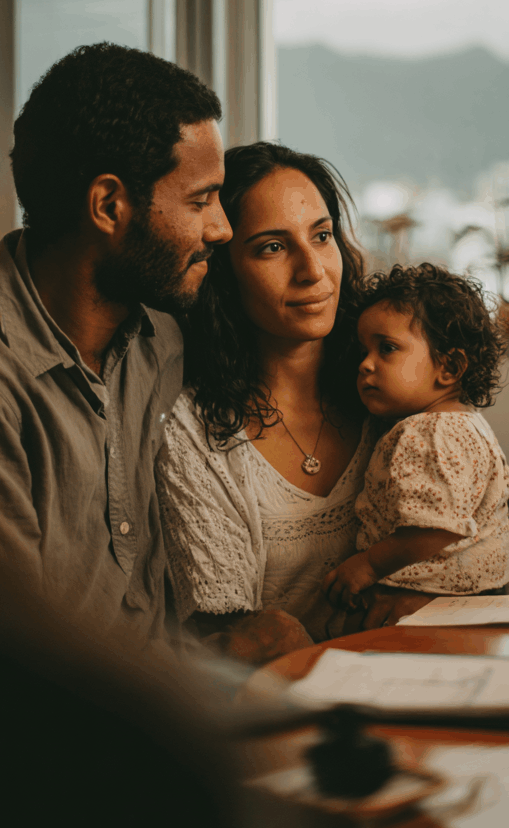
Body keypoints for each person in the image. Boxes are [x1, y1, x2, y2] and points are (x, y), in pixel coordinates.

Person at [0, 43, 230, 643]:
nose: (221, 227)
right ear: (109, 205)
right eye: (200, 200)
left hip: (145, 715)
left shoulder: (159, 341)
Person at [157, 141, 378, 662]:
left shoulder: (390, 396)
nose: (312, 270)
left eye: (322, 236)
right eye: (272, 248)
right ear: (224, 270)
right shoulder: (195, 432)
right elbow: (239, 640)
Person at [324, 263, 509, 612]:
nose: (365, 364)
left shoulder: (428, 432)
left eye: (386, 348)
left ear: (449, 368)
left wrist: (368, 565)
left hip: (431, 604)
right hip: (479, 599)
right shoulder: (470, 424)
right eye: (363, 350)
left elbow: (435, 528)